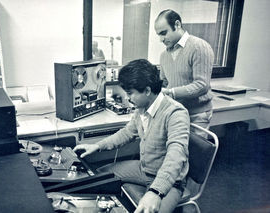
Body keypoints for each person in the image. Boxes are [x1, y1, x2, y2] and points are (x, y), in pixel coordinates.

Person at [74, 59, 190, 213]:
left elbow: (176, 155)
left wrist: (156, 192)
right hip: (144, 169)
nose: (128, 98)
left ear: (147, 91)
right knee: (99, 177)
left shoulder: (176, 113)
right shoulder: (142, 107)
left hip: (170, 181)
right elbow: (127, 132)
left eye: (130, 93)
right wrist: (97, 146)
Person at [154, 9, 214, 137]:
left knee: (194, 155)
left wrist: (171, 92)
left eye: (164, 33)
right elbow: (164, 83)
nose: (161, 39)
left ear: (177, 25)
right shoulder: (164, 55)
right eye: (158, 34)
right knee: (175, 153)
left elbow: (201, 85)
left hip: (197, 115)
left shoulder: (199, 47)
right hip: (175, 113)